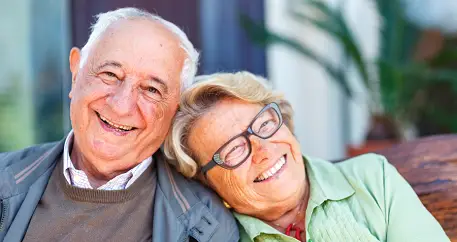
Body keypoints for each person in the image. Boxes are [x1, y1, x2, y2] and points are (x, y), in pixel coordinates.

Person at [0, 8, 239, 242]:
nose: (121, 106)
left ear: (175, 109)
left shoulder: (207, 228)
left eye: (151, 90)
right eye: (110, 74)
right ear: (76, 73)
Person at [164, 71, 450, 242]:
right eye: (233, 149)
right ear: (207, 181)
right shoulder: (222, 238)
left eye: (264, 124)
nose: (263, 150)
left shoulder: (373, 178)